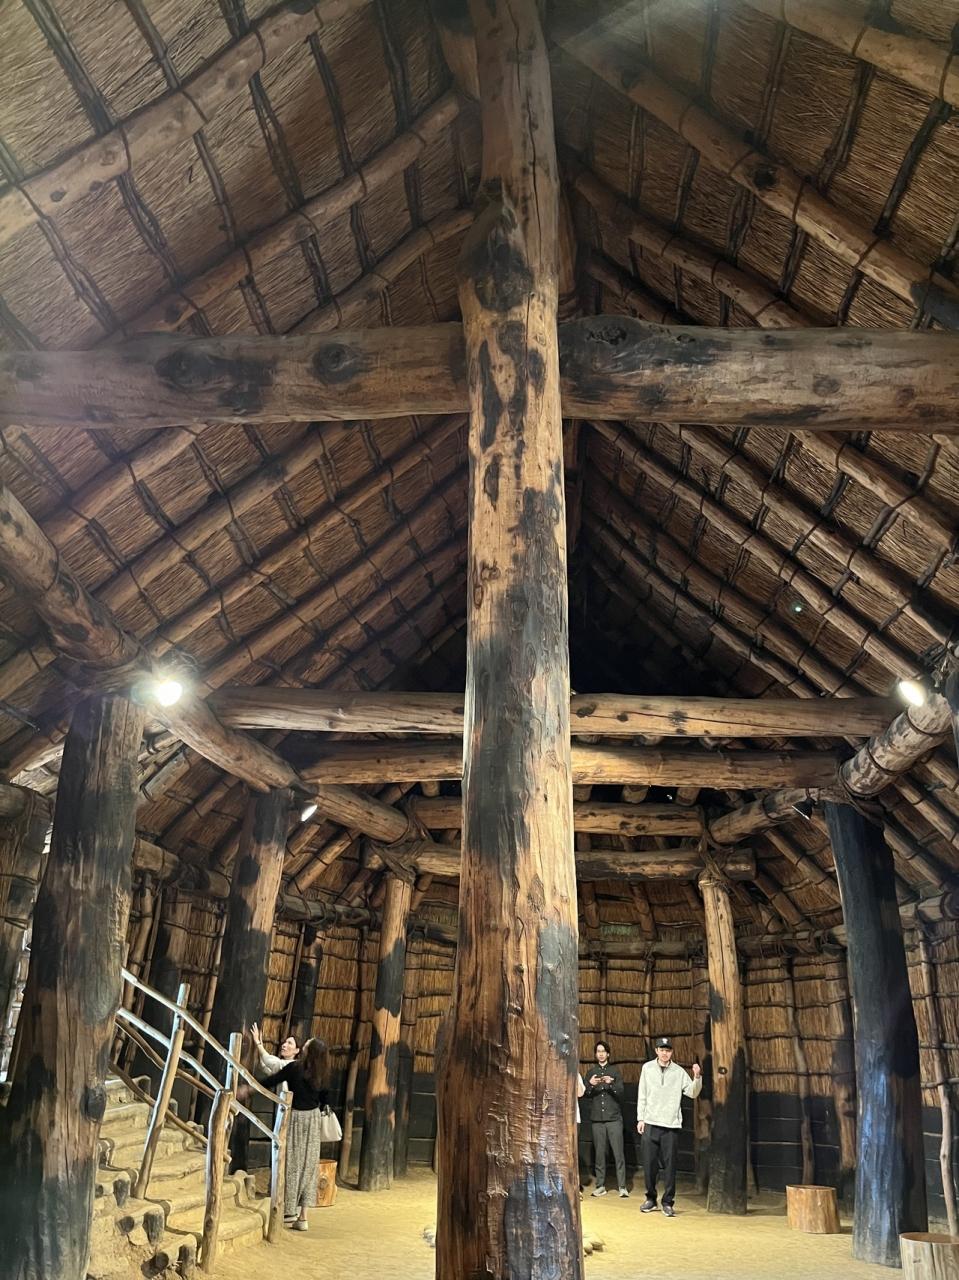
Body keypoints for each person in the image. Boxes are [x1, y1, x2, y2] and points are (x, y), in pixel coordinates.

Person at [261, 1038, 329, 1231]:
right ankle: (303, 1217)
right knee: (309, 1166)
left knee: (291, 1162)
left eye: (306, 1044)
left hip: (295, 1118)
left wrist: (248, 1089)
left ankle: (289, 1211)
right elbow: (325, 1099)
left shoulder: (294, 1068)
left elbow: (271, 1080)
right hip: (313, 1119)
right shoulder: (323, 1073)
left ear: (308, 1051)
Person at [636, 1036, 702, 1217]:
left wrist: (697, 1077)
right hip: (650, 1122)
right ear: (656, 1051)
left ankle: (667, 1202)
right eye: (662, 1050)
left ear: (671, 1052)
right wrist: (641, 1118)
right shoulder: (647, 1068)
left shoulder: (679, 1072)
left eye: (668, 1050)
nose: (665, 1053)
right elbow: (642, 1094)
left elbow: (692, 1093)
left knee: (670, 1166)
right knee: (649, 1165)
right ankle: (650, 1199)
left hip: (670, 1125)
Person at [584, 1040, 628, 1198]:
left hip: (613, 1118)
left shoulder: (614, 1071)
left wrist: (610, 1084)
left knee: (618, 1153)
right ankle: (600, 1185)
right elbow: (585, 1094)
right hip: (597, 1119)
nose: (601, 1054)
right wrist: (590, 1084)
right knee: (599, 1154)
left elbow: (621, 1093)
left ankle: (622, 1186)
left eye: (603, 1051)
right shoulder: (591, 1072)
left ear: (608, 1054)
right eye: (598, 1051)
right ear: (596, 1054)